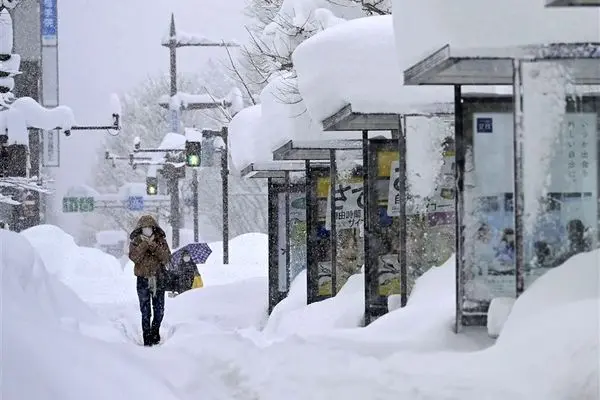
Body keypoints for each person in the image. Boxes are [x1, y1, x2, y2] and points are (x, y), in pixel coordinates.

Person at [128, 215, 171, 346]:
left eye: (149, 228)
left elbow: (166, 257)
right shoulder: (136, 241)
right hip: (143, 280)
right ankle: (147, 338)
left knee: (159, 310)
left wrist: (154, 247)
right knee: (145, 311)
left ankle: (155, 332)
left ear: (154, 228)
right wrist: (143, 246)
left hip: (159, 279)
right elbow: (134, 257)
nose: (147, 230)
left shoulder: (160, 240)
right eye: (144, 228)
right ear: (141, 229)